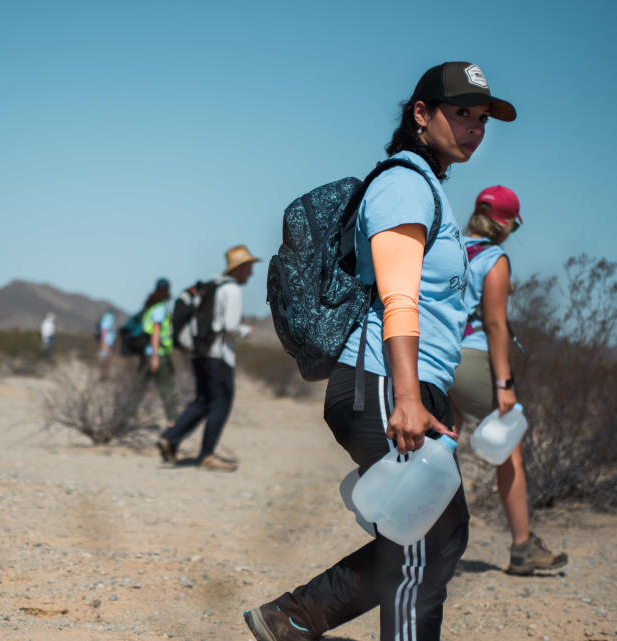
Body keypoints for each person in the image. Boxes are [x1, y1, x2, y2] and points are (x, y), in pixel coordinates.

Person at [244, 62, 516, 641]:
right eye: (460, 113)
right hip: (386, 381)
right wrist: (410, 398)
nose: (473, 127)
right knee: (430, 543)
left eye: (481, 118)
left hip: (402, 382)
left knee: (432, 540)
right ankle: (295, 614)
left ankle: (293, 616)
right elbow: (399, 302)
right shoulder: (404, 184)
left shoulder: (427, 186)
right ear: (421, 114)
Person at [449, 185, 567, 576]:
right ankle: (522, 548)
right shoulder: (494, 258)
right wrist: (503, 383)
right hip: (472, 358)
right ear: (505, 223)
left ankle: (416, 542)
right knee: (510, 449)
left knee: (441, 449)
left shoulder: (449, 248)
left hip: (436, 357)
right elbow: (496, 325)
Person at [156, 245, 257, 472]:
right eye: (249, 268)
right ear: (239, 269)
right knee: (221, 402)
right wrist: (246, 332)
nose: (251, 273)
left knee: (203, 400)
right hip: (219, 355)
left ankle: (170, 439)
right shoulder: (232, 290)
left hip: (198, 352)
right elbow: (230, 326)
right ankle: (206, 455)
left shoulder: (210, 287)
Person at [129, 278, 181, 423]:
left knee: (138, 387)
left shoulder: (150, 307)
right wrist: (155, 356)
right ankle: (173, 422)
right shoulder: (159, 308)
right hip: (157, 353)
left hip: (148, 353)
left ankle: (125, 416)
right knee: (167, 388)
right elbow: (156, 332)